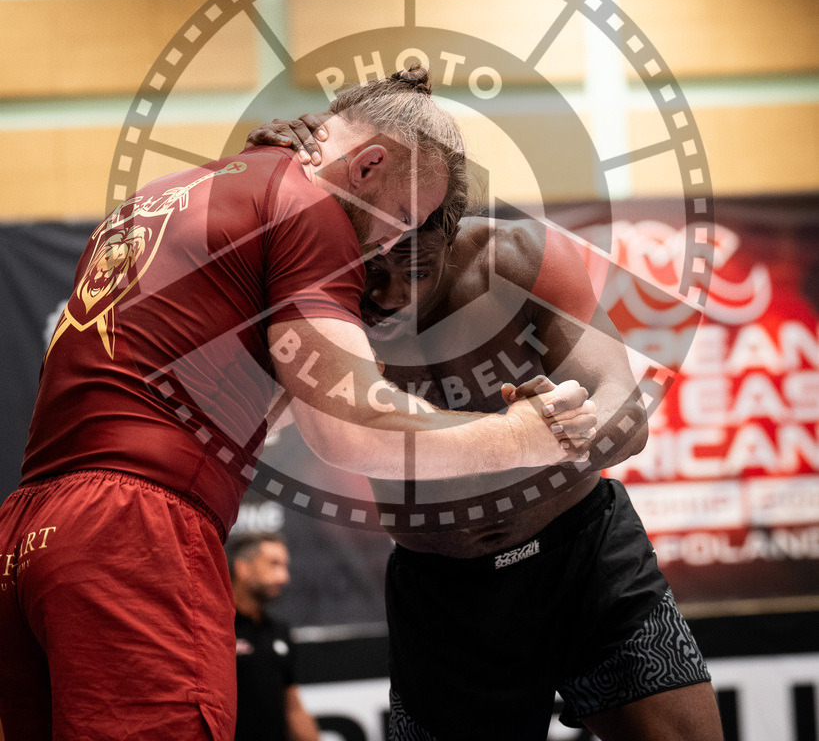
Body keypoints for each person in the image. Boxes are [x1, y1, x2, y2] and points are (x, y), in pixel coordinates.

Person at [0, 67, 592, 741]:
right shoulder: (310, 208)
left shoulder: (159, 199)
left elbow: (236, 394)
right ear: (368, 164)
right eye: (401, 218)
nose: (390, 244)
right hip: (134, 532)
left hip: (30, 536)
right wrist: (523, 435)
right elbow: (350, 427)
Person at [252, 112, 725, 741]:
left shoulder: (517, 259)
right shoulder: (320, 288)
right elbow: (244, 416)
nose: (388, 296)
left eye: (414, 269)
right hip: (443, 596)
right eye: (374, 267)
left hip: (585, 559)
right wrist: (269, 172)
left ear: (450, 236)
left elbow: (627, 416)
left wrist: (563, 427)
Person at [227, 532, 320, 741]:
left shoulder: (279, 631)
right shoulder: (215, 630)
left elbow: (293, 708)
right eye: (273, 564)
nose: (284, 577)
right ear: (243, 568)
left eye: (284, 566)